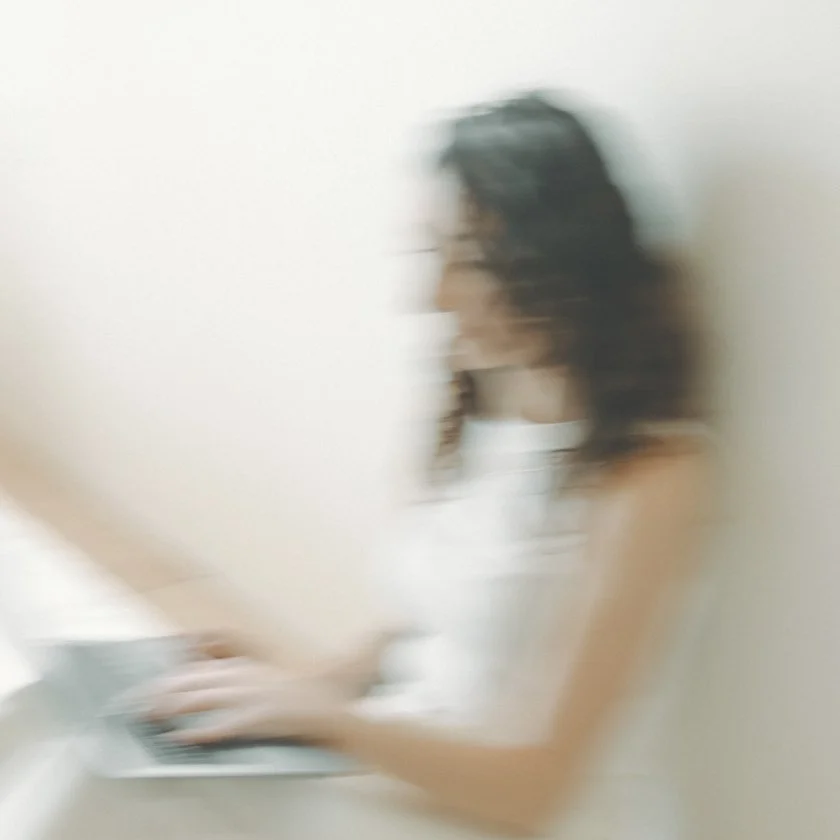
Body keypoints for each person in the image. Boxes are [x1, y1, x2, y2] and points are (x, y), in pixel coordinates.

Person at [144, 92, 710, 838]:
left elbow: (534, 790)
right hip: (406, 767)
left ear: (559, 260)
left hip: (505, 814)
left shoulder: (652, 473)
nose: (432, 298)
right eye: (428, 254)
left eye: (466, 260)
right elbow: (425, 624)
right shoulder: (490, 406)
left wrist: (337, 722)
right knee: (79, 764)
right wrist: (295, 688)